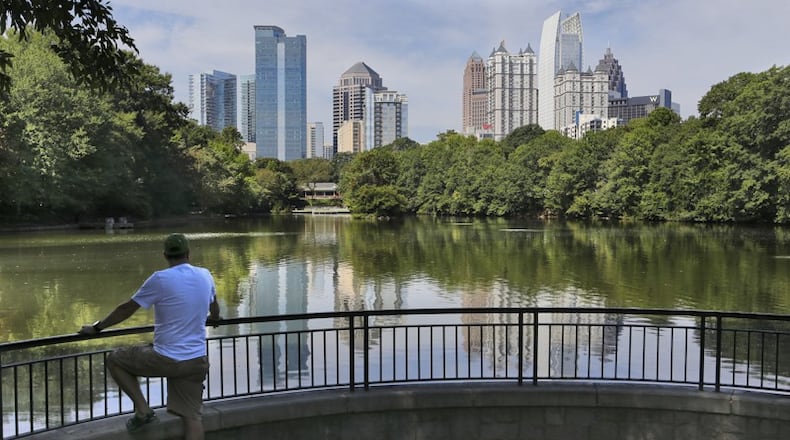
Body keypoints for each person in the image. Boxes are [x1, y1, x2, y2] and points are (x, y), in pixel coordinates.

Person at [79, 233, 221, 440]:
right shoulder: (205, 275)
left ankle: (143, 409)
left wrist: (97, 327)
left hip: (166, 358)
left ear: (165, 255)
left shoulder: (160, 279)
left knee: (116, 359)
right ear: (188, 253)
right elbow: (214, 307)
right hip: (196, 361)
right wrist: (215, 318)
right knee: (193, 418)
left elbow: (127, 309)